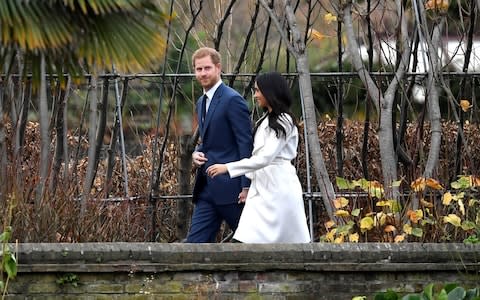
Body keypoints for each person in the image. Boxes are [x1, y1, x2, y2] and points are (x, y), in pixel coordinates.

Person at [206, 72, 311, 243]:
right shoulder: (266, 120)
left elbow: (265, 158)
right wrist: (248, 186)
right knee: (245, 238)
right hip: (262, 187)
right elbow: (259, 157)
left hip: (278, 188)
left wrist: (227, 167)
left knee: (284, 242)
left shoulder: (283, 121)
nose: (255, 96)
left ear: (270, 92)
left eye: (258, 91)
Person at [185, 47, 253, 243]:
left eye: (207, 68)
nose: (203, 73)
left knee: (251, 244)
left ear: (218, 68)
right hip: (207, 189)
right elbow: (212, 140)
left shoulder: (232, 100)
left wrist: (246, 186)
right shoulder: (201, 102)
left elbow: (245, 143)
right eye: (199, 69)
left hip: (233, 190)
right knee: (194, 247)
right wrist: (198, 153)